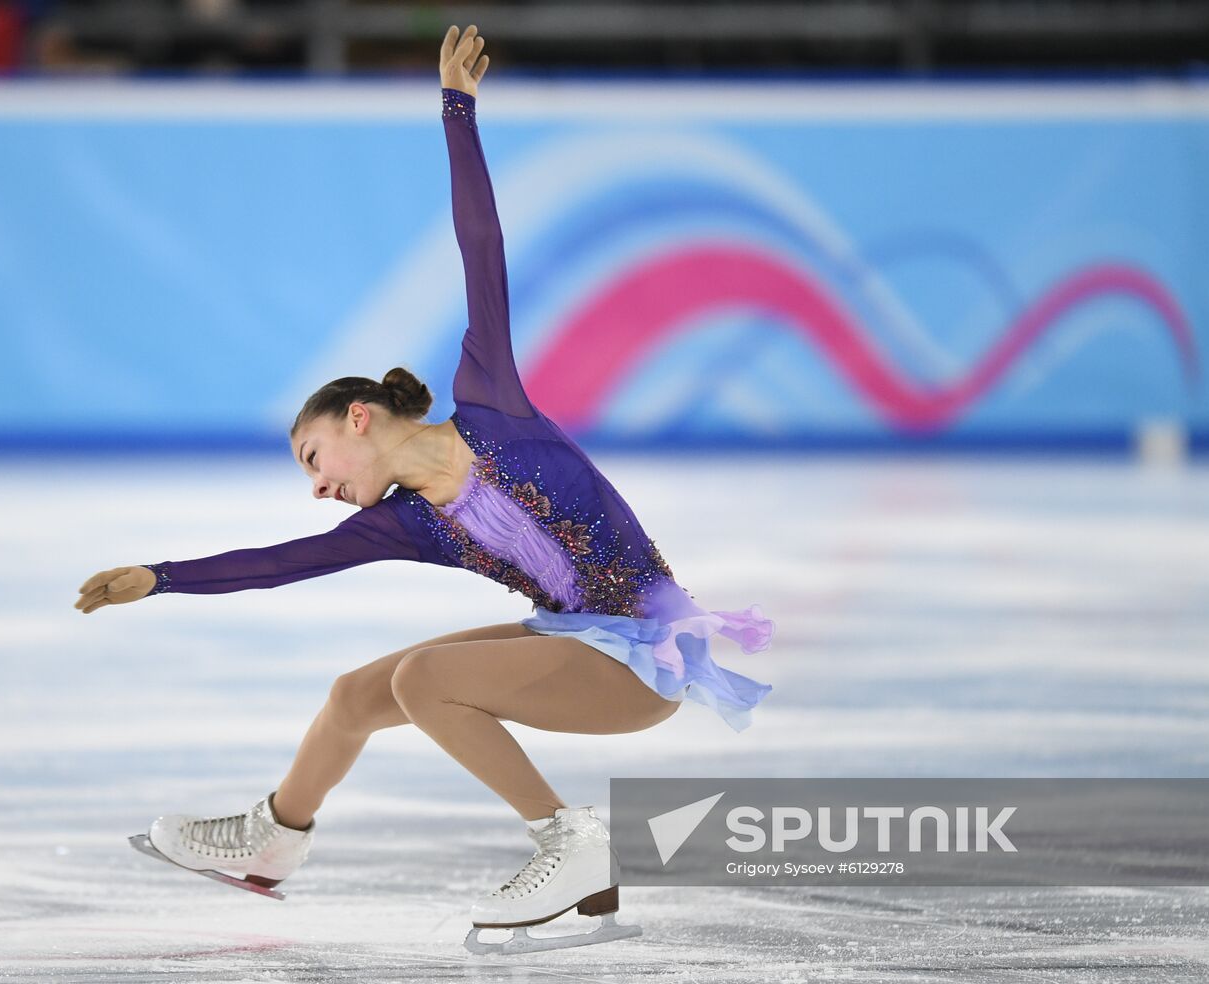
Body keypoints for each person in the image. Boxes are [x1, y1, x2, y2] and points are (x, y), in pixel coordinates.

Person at [75, 23, 774, 954]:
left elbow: (479, 244)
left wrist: (457, 111)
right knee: (360, 691)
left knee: (423, 677)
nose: (317, 488)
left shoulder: (492, 403)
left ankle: (569, 843)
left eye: (313, 458)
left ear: (360, 417)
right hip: (582, 640)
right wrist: (160, 576)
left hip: (644, 653)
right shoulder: (408, 525)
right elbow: (277, 564)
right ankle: (275, 838)